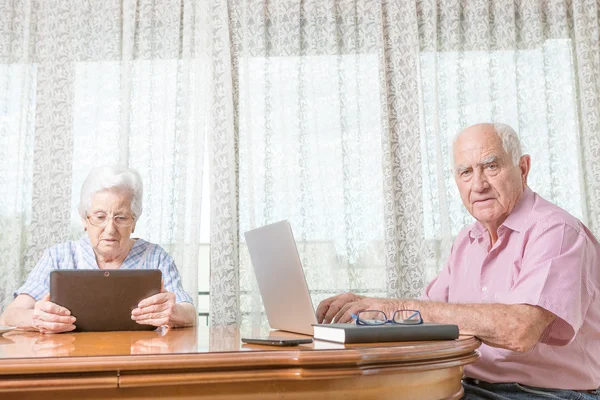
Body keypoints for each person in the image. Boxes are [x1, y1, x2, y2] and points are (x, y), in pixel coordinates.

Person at [316, 123, 600, 399]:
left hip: (549, 394)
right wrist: (366, 311)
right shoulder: (467, 240)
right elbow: (426, 318)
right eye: (466, 172)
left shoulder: (557, 230)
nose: (479, 184)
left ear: (523, 168)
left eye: (491, 166)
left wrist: (399, 308)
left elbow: (521, 330)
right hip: (471, 386)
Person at [0, 165, 197, 333]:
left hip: (137, 360)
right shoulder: (58, 257)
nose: (110, 229)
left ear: (134, 222)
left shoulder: (156, 257)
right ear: (85, 220)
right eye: (100, 217)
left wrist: (174, 312)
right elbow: (9, 315)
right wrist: (37, 319)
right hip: (71, 361)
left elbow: (189, 312)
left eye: (121, 218)